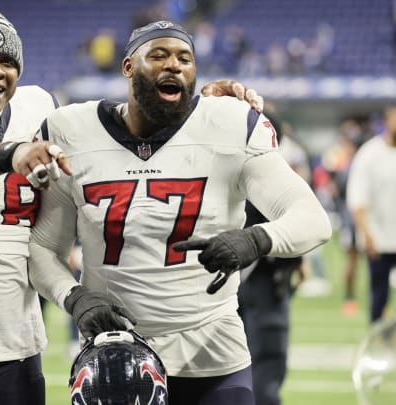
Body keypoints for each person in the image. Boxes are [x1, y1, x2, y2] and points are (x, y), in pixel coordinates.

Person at [0, 11, 264, 405]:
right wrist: (10, 153)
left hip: (14, 340)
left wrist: (198, 109)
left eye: (7, 62)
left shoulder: (37, 110)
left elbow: (119, 127)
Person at [28, 20, 331, 405]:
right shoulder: (72, 130)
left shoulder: (231, 123)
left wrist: (255, 239)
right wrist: (75, 298)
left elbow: (312, 219)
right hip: (116, 355)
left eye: (184, 58)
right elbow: (42, 248)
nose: (174, 65)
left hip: (214, 349)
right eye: (158, 55)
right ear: (127, 67)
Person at [237, 111, 308, 405]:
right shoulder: (272, 178)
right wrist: (295, 264)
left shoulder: (224, 173)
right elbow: (299, 229)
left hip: (222, 285)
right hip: (263, 280)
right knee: (266, 368)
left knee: (229, 372)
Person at [347, 104, 396, 324]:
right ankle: (377, 343)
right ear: (386, 121)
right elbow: (358, 198)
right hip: (380, 238)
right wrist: (366, 233)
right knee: (379, 294)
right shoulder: (369, 154)